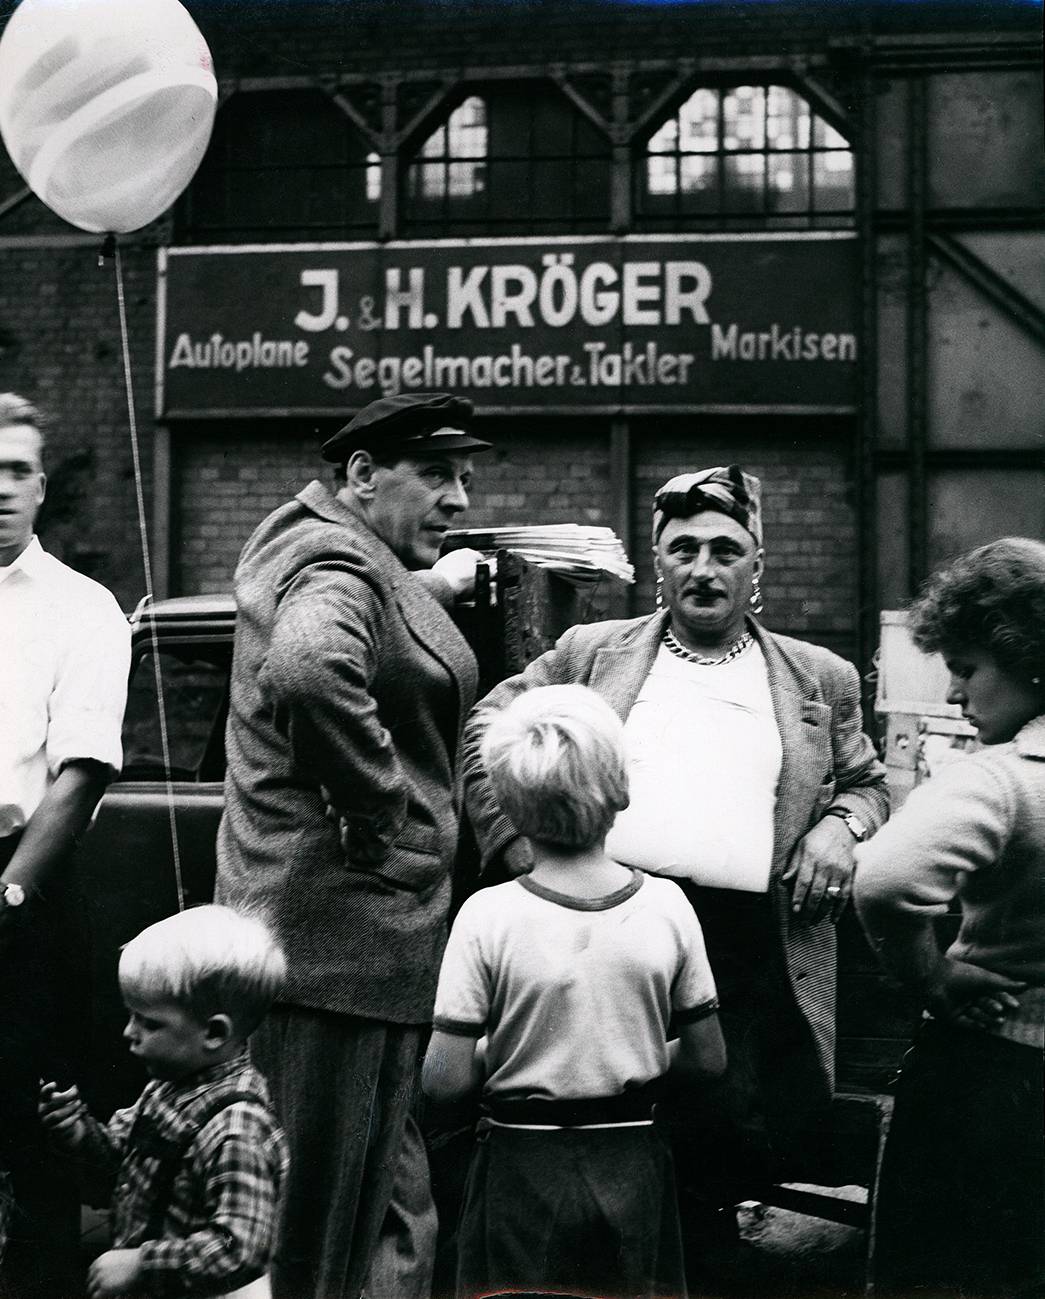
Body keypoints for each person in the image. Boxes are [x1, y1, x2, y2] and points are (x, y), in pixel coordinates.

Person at [462, 464, 888, 1264]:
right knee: (607, 1121)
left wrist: (840, 827)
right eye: (682, 548)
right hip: (605, 933)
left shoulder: (815, 675)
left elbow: (866, 781)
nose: (703, 566)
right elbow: (490, 723)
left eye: (725, 549)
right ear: (657, 564)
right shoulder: (592, 652)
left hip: (747, 948)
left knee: (718, 1138)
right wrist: (521, 851)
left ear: (755, 566)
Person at [215, 392, 491, 1299]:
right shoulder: (337, 560)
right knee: (314, 1229)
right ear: (364, 476)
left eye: (465, 475)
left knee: (388, 1213)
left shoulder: (337, 547)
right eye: (437, 474)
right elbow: (308, 667)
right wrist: (386, 815)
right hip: (333, 954)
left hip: (350, 954)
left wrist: (424, 587)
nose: (460, 497)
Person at [424, 684, 725, 1299]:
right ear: (621, 790)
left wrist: (514, 1052)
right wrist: (620, 1052)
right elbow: (708, 1058)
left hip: (517, 1164)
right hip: (632, 1155)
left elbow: (444, 1081)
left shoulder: (487, 915)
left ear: (506, 801)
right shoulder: (668, 907)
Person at [854, 536, 1045, 1299]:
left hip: (992, 1071)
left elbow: (884, 880)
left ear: (1027, 656)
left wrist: (929, 972)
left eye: (965, 669)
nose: (957, 697)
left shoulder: (1001, 781)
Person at [0, 393, 132, 1296]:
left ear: (41, 486)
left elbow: (82, 768)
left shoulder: (84, 608)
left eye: (14, 470)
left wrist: (7, 894)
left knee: (37, 1132)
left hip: (26, 890)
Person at [38, 904, 289, 1299]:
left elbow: (241, 1248)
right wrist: (79, 1132)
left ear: (214, 1032)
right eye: (131, 1015)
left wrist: (142, 1264)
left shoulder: (237, 1128)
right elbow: (119, 1163)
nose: (128, 1033)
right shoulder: (168, 1089)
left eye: (149, 1023)